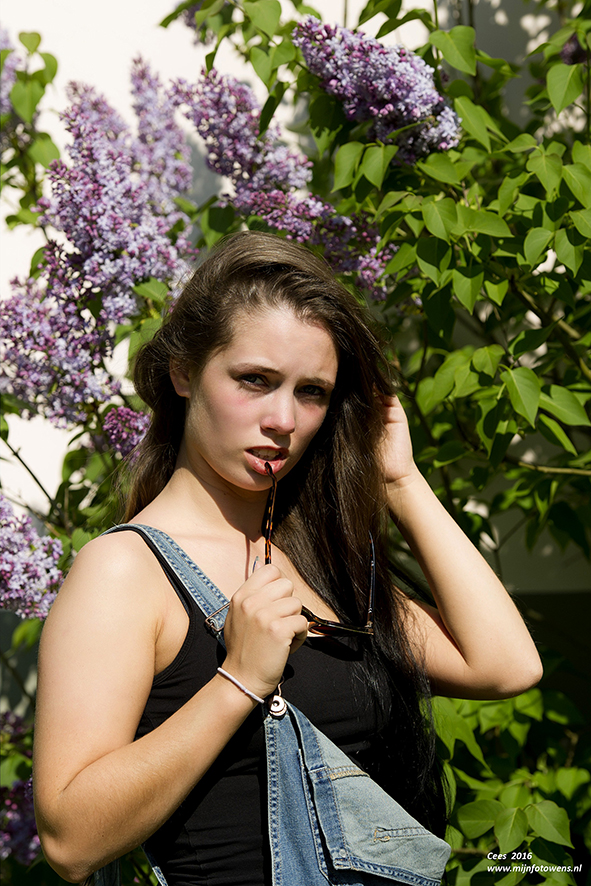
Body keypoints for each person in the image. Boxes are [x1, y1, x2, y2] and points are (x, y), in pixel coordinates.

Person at [33, 232, 542, 886]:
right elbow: (71, 839)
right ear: (183, 372)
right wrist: (239, 680)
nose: (284, 419)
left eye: (312, 393)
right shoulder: (125, 571)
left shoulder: (315, 558)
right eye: (255, 380)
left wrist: (401, 482)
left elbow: (505, 665)